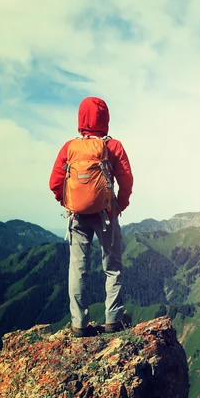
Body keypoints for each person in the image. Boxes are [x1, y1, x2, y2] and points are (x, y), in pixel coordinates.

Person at [49, 96, 133, 337]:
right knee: (112, 267)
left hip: (77, 215)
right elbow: (126, 179)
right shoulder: (113, 146)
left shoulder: (69, 148)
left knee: (77, 268)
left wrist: (68, 202)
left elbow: (54, 182)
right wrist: (120, 204)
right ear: (105, 119)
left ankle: (79, 324)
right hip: (106, 214)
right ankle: (113, 320)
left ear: (80, 118)